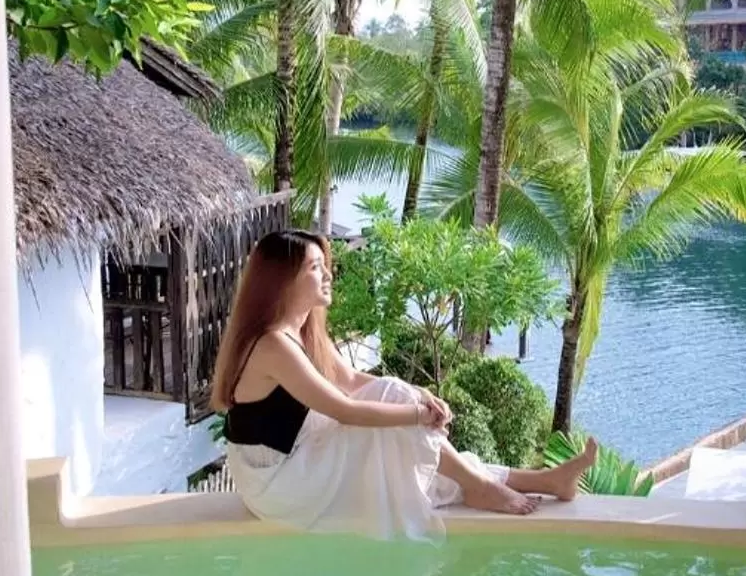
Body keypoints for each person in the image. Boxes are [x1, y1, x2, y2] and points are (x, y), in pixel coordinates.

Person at [212, 229, 599, 541]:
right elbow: (344, 408)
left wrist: (419, 395)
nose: (329, 274)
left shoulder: (301, 329)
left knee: (402, 441)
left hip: (298, 460)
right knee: (399, 423)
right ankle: (483, 486)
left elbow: (348, 379)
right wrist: (415, 414)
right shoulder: (274, 343)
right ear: (283, 281)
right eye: (316, 268)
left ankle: (543, 480)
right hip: (277, 482)